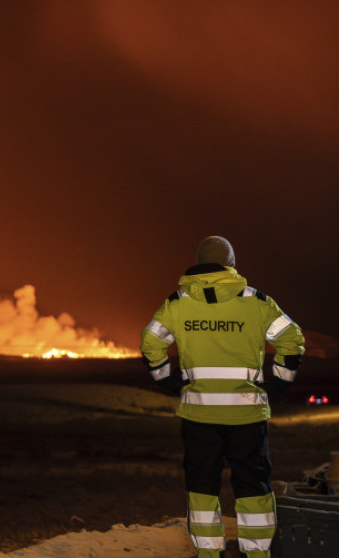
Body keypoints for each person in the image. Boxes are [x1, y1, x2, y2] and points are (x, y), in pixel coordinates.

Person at [140, 236, 305, 558]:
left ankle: (208, 554)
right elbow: (292, 340)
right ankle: (256, 554)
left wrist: (167, 379)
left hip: (198, 416)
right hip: (247, 415)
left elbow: (150, 343)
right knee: (253, 487)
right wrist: (279, 382)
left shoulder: (177, 303)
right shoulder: (257, 302)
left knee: (202, 489)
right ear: (230, 264)